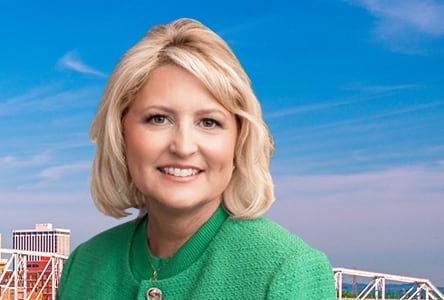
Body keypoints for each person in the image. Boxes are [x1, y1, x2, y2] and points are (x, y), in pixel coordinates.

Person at [57, 18, 334, 299]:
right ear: (120, 132)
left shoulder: (288, 272)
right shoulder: (83, 266)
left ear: (239, 139)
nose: (184, 146)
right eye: (158, 118)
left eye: (209, 122)